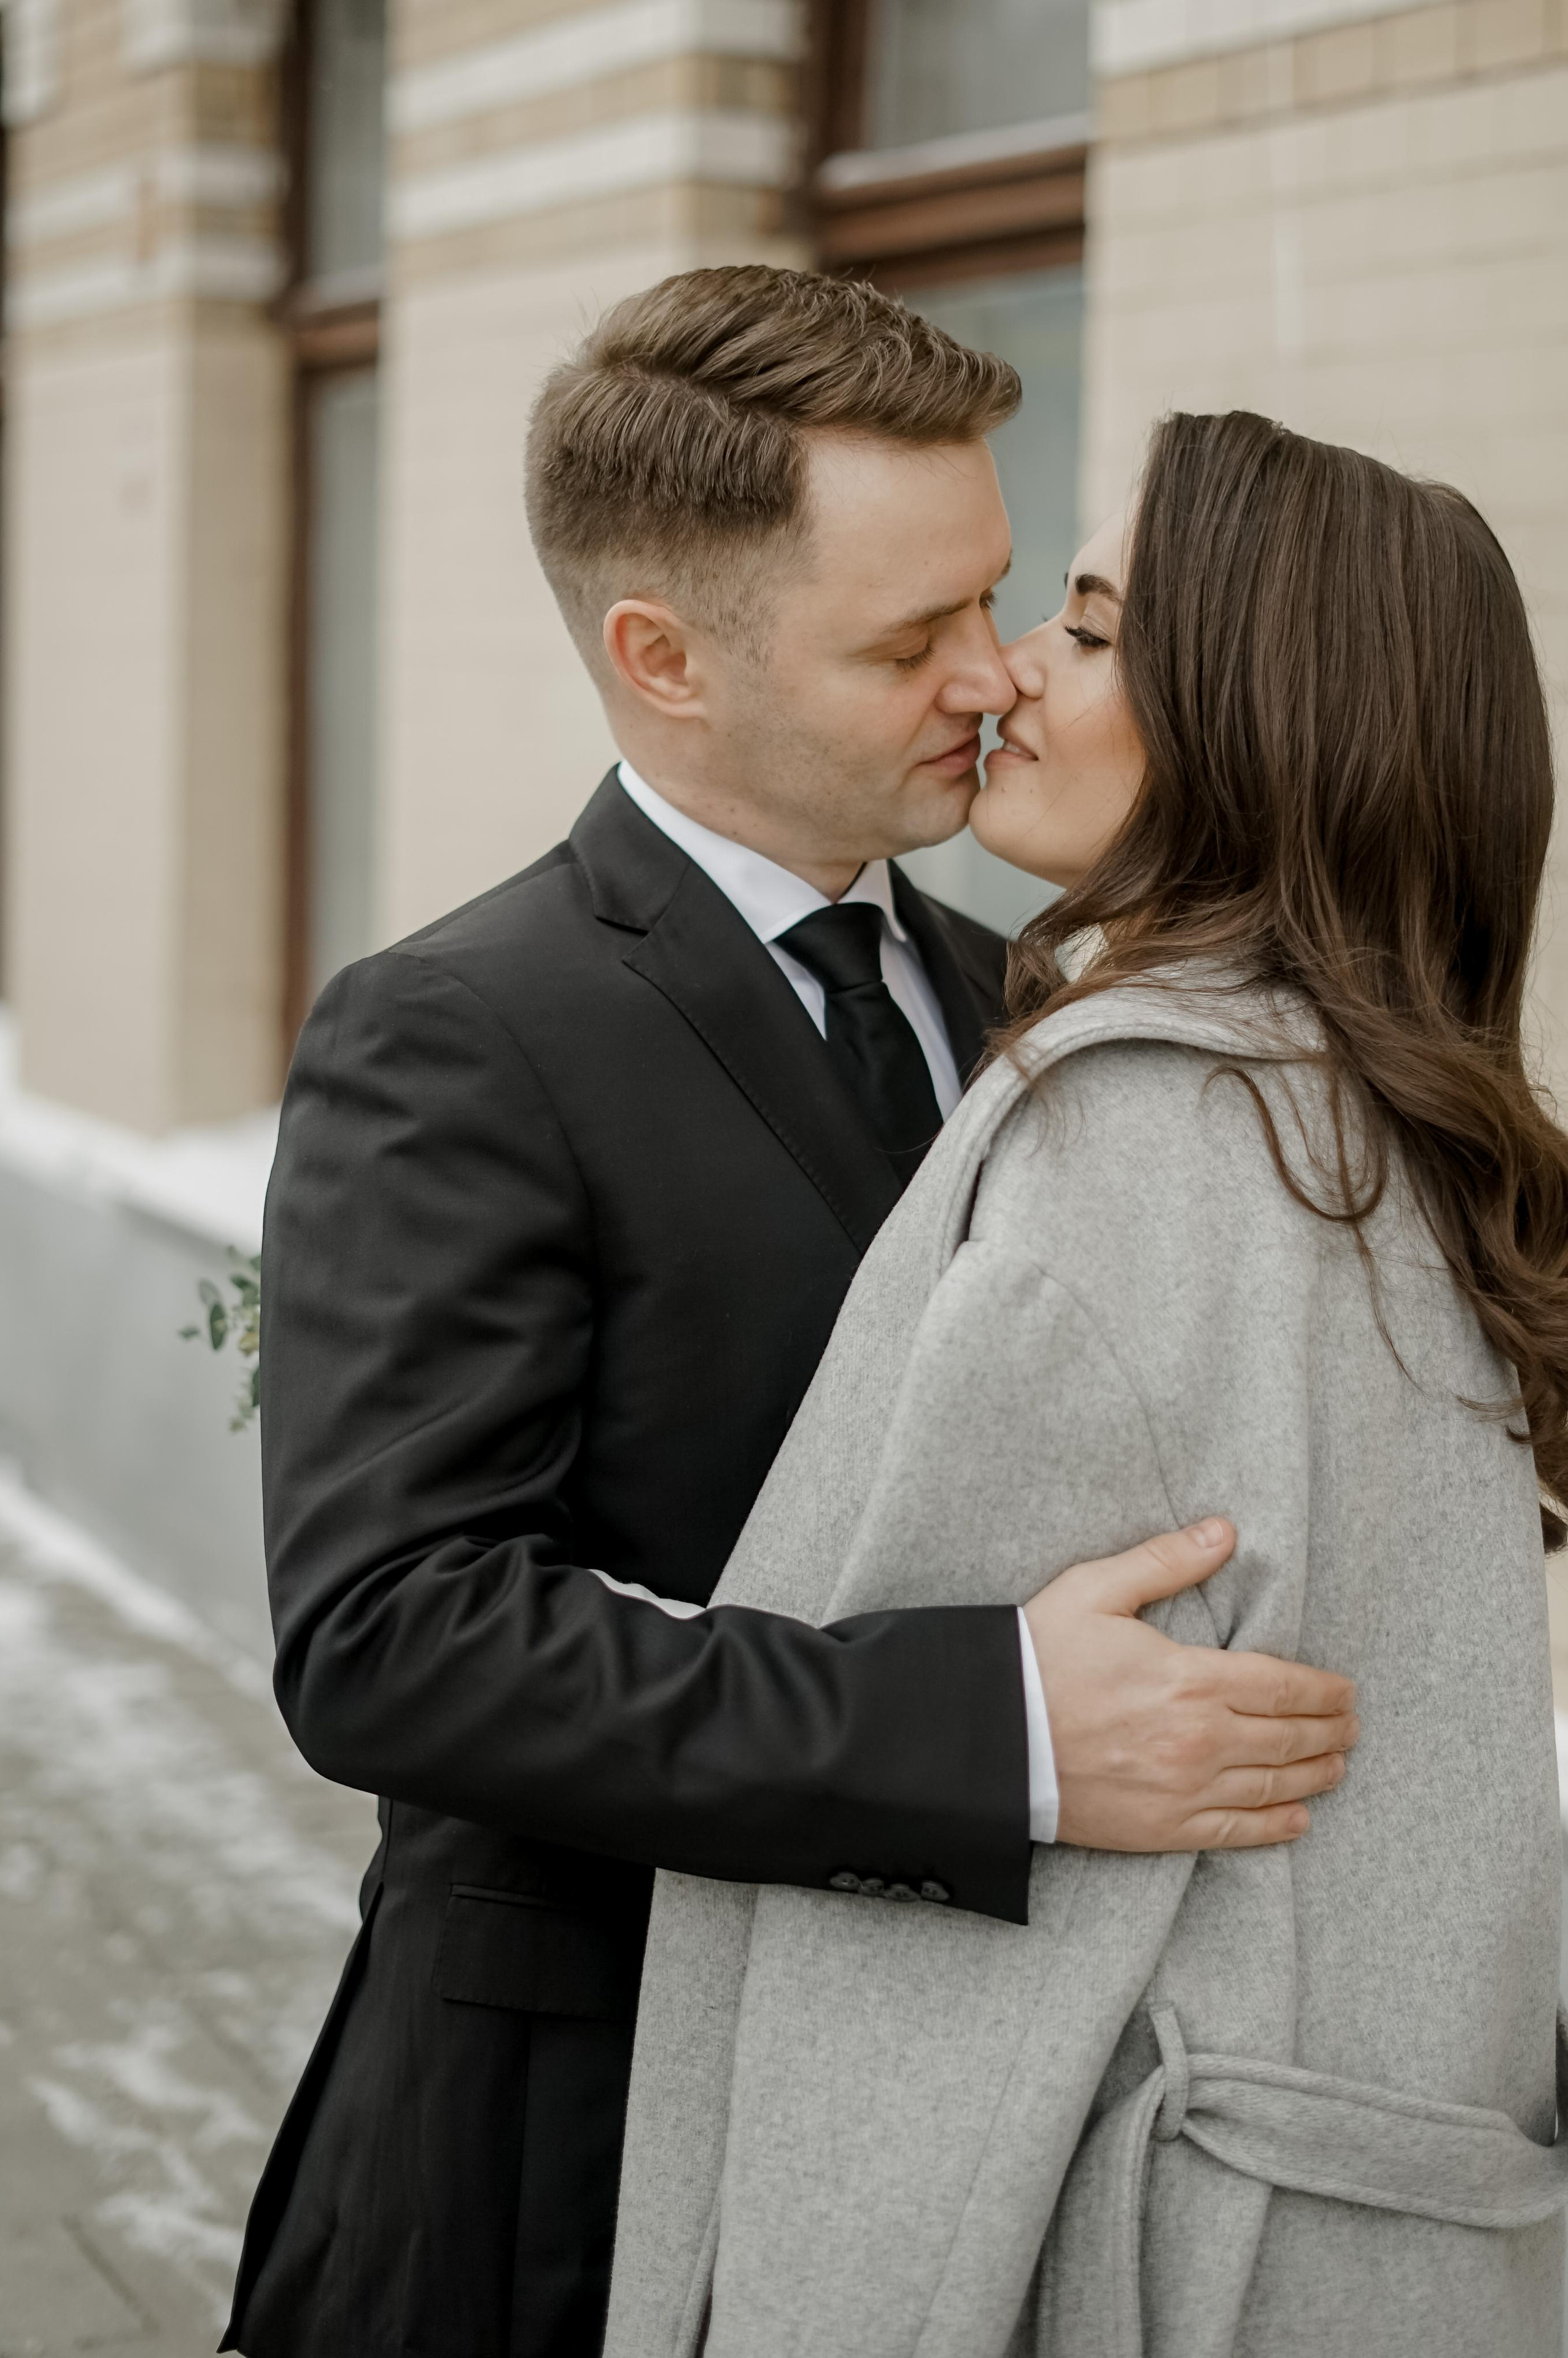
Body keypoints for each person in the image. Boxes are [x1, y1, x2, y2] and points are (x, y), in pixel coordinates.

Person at [221, 284, 1357, 2358]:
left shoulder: (1036, 999)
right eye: (904, 639)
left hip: (952, 2148)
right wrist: (995, 1732)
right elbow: (392, 1640)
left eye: (996, 601)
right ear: (664, 658)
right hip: (553, 2150)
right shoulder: (461, 1030)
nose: (992, 677)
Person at [604, 410, 1568, 2358]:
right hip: (1398, 2243)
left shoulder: (1148, 1129)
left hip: (1148, 2266)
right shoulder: (1387, 1124)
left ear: (1263, 715)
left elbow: (925, 1959)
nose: (1011, 671)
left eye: (1095, 626)